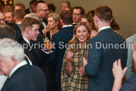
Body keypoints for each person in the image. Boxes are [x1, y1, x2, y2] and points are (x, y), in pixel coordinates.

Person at [79, 6, 127, 91]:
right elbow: (123, 66)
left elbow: (92, 70)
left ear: (95, 19)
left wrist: (86, 66)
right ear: (111, 20)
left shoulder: (96, 40)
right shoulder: (121, 39)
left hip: (98, 87)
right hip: (117, 85)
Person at [61, 22, 90, 91]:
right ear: (76, 34)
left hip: (89, 86)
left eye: (84, 31)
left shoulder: (94, 49)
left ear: (88, 34)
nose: (81, 34)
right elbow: (68, 73)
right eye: (79, 32)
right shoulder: (71, 49)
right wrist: (68, 61)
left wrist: (87, 69)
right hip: (74, 86)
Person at [51, 10, 74, 91]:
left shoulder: (56, 36)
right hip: (78, 70)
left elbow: (52, 58)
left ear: (61, 21)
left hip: (61, 70)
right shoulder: (78, 32)